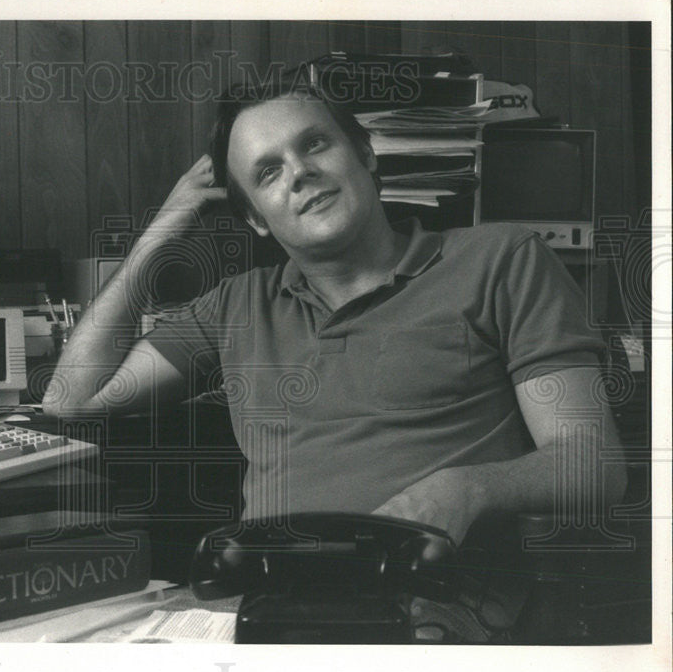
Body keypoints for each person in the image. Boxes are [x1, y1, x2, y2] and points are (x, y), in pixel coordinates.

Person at [44, 74, 626, 548]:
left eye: (315, 144)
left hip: (439, 608)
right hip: (271, 606)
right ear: (255, 218)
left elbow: (592, 466)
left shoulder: (501, 260)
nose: (300, 173)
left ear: (366, 156)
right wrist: (166, 225)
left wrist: (465, 490)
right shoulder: (237, 306)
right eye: (268, 172)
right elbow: (70, 401)